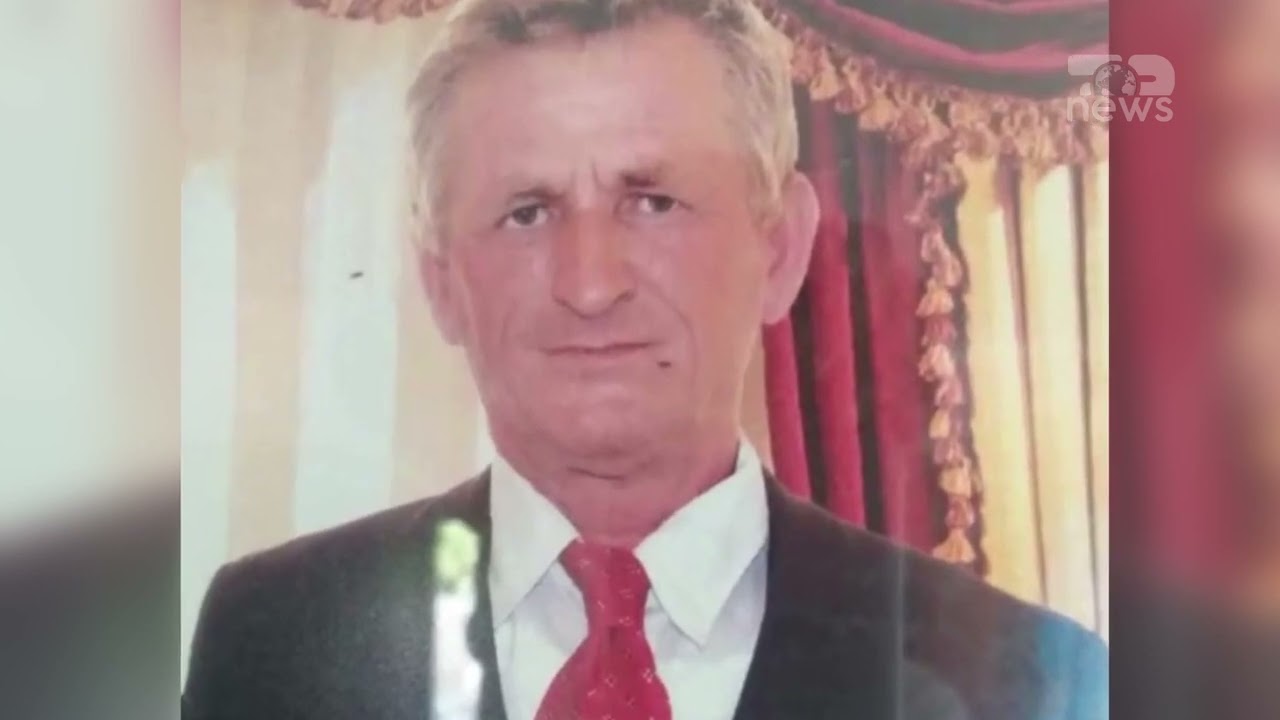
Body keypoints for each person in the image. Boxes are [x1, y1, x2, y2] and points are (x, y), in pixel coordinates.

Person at [182, 0, 1107, 717]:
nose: (591, 283)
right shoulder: (276, 643)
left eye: (653, 202)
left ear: (780, 249)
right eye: (527, 213)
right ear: (441, 282)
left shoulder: (1017, 682)